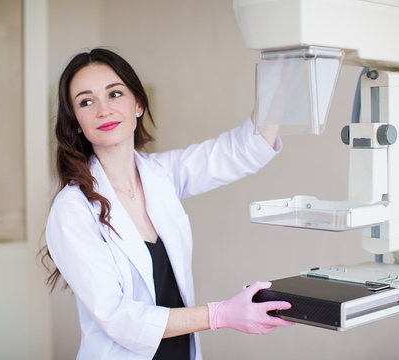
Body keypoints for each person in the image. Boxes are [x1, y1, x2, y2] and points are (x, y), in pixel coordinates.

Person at [43, 48, 294, 360]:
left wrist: (281, 76)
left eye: (115, 93)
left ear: (138, 104)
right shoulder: (72, 210)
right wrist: (220, 315)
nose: (103, 110)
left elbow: (242, 150)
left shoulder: (161, 175)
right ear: (77, 121)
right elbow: (118, 318)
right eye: (86, 101)